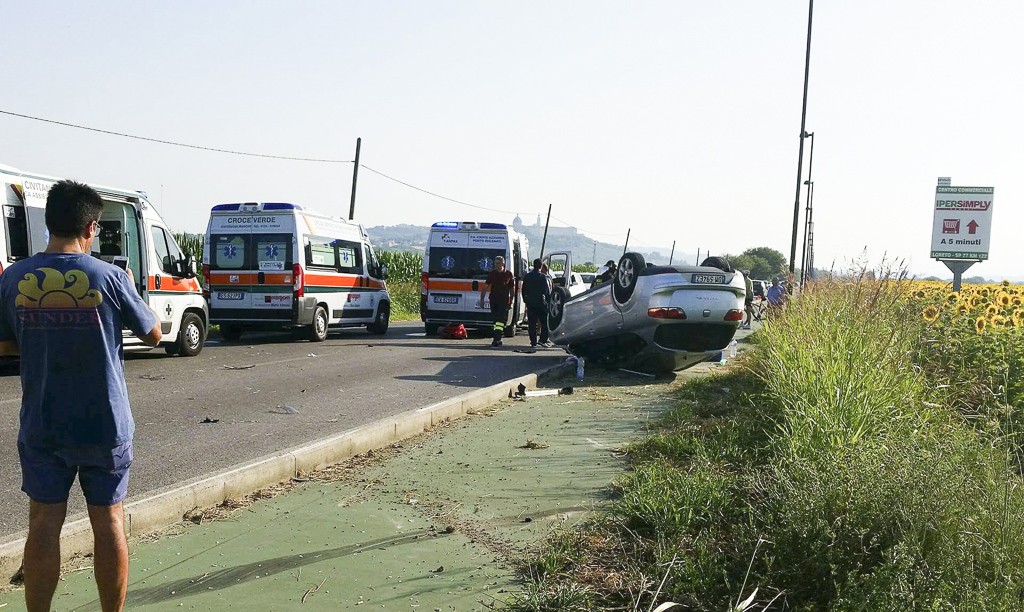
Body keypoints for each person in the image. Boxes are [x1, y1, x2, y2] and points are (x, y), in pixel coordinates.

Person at [0, 180, 162, 612]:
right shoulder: (109, 277)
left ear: (49, 222)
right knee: (108, 520)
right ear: (91, 227)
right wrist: (127, 285)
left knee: (43, 523)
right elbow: (153, 334)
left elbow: (3, 344)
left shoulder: (14, 278)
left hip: (43, 423)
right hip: (104, 424)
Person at [479, 255, 515, 347]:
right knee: (495, 320)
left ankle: (497, 339)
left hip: (503, 301)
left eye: (498, 263)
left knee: (500, 320)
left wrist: (511, 301)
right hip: (494, 300)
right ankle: (497, 338)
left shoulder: (508, 274)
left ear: (503, 263)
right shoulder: (492, 274)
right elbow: (485, 287)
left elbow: (512, 289)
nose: (496, 265)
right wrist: (482, 300)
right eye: (495, 263)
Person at [522, 258, 552, 348]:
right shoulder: (542, 277)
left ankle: (533, 342)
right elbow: (546, 291)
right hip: (540, 303)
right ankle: (542, 340)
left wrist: (526, 300)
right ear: (540, 266)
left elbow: (524, 290)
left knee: (531, 324)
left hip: (531, 303)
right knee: (545, 322)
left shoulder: (527, 276)